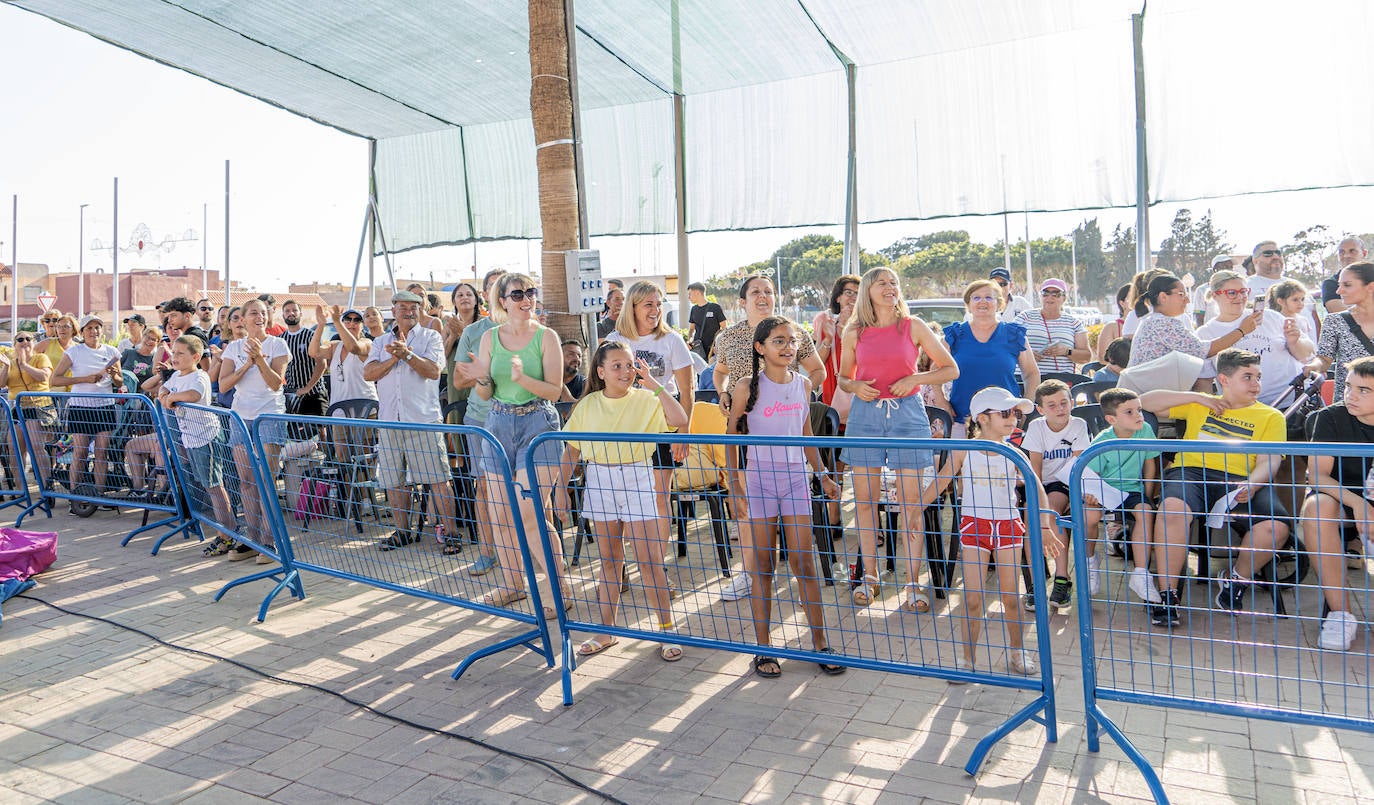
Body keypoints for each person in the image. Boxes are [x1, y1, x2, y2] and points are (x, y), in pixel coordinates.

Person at [724, 317, 844, 677]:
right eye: (778, 341)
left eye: (791, 341)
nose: (788, 347)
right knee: (763, 566)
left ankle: (820, 642)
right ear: (760, 348)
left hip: (795, 480)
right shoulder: (746, 386)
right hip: (760, 480)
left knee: (804, 562)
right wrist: (735, 484)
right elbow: (731, 436)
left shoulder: (803, 384)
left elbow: (806, 434)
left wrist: (823, 475)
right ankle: (763, 648)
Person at [555, 341, 689, 663]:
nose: (626, 371)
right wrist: (560, 490)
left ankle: (667, 629)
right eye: (617, 366)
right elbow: (571, 451)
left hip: (637, 478)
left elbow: (680, 418)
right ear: (601, 372)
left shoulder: (647, 399)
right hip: (600, 480)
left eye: (629, 365)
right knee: (609, 560)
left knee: (649, 561)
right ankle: (607, 630)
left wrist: (654, 383)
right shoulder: (588, 405)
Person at [1140, 349, 1290, 628]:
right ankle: (1167, 594)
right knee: (1171, 510)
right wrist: (1198, 397)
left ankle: (1236, 580)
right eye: (1247, 377)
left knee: (1276, 527)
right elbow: (1144, 401)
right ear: (1224, 379)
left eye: (1258, 376)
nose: (1256, 383)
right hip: (1190, 472)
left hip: (1241, 478)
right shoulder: (1200, 404)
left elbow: (1270, 461)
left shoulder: (1271, 416)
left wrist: (1254, 483)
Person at [921, 386, 1063, 679]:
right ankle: (967, 659)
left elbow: (1037, 488)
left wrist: (1045, 525)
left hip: (1008, 527)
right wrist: (915, 509)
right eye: (1006, 413)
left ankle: (1017, 651)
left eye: (1015, 414)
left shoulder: (1013, 452)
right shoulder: (964, 450)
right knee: (972, 599)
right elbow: (942, 479)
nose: (1014, 419)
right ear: (982, 418)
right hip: (975, 527)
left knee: (1011, 598)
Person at [837, 267, 957, 611]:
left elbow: (950, 368)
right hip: (865, 416)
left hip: (908, 415)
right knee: (864, 502)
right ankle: (870, 577)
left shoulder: (913, 325)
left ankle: (912, 582)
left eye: (894, 283)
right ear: (868, 291)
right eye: (882, 283)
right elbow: (843, 377)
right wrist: (854, 385)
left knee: (911, 504)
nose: (890, 287)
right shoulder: (854, 331)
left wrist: (914, 379)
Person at [452, 273, 570, 612]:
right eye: (517, 294)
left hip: (538, 424)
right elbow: (485, 393)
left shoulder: (546, 337)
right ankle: (512, 585)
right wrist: (482, 379)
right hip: (498, 423)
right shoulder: (490, 338)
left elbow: (553, 390)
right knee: (500, 512)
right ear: (502, 301)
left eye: (530, 292)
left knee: (530, 514)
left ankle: (560, 591)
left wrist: (522, 378)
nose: (526, 299)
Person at [711, 274, 826, 601]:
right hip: (744, 431)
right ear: (742, 301)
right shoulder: (728, 337)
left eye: (768, 291)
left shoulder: (794, 332)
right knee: (748, 506)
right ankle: (750, 574)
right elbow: (719, 372)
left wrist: (794, 396)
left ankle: (801, 578)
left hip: (783, 432)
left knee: (792, 514)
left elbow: (818, 370)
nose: (763, 297)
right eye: (755, 292)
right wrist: (722, 392)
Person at [362, 290, 460, 552]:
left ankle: (451, 534)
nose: (408, 311)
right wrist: (394, 358)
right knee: (394, 481)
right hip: (390, 422)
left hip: (422, 420)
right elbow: (368, 373)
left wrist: (406, 355)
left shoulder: (430, 337)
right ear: (393, 311)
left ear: (420, 310)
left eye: (413, 307)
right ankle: (402, 532)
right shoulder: (380, 341)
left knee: (438, 479)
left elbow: (434, 371)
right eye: (403, 307)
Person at [1301, 356, 1374, 650]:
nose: (1350, 395)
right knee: (1316, 508)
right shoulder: (1329, 417)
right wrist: (1358, 504)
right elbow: (1317, 476)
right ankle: (1340, 615)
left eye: (1363, 390)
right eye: (1348, 386)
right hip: (1340, 500)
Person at [218, 298, 291, 562]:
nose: (259, 316)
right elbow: (223, 385)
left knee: (266, 480)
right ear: (242, 319)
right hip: (241, 418)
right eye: (253, 313)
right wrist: (247, 364)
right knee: (247, 481)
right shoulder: (233, 348)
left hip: (269, 417)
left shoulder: (277, 345)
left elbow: (276, 383)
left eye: (262, 312)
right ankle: (253, 539)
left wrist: (259, 359)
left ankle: (271, 542)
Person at [450, 268, 508, 576]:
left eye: (506, 286)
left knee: (528, 487)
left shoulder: (530, 329)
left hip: (522, 418)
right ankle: (487, 552)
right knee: (484, 488)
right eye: (494, 287)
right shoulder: (473, 332)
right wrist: (485, 375)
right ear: (485, 295)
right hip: (481, 419)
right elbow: (459, 379)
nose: (501, 292)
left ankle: (537, 551)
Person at [157, 335, 237, 557]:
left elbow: (194, 395)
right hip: (190, 438)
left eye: (180, 353)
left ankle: (227, 534)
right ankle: (226, 531)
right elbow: (162, 389)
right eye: (173, 352)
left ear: (195, 357)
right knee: (207, 485)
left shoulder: (199, 376)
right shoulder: (176, 375)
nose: (174, 357)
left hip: (205, 438)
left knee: (215, 486)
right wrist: (166, 396)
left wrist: (172, 397)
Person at [1083, 388, 1159, 604]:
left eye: (1139, 410)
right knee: (1089, 516)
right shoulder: (1102, 441)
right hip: (1105, 489)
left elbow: (1150, 464)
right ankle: (1090, 561)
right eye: (1129, 412)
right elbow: (1092, 476)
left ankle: (1141, 574)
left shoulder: (1145, 430)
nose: (1138, 415)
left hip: (1132, 489)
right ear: (1111, 419)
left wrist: (1147, 496)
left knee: (1145, 512)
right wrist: (1091, 495)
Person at [1195, 270, 1315, 406]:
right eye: (1232, 293)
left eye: (1243, 291)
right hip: (1245, 409)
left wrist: (1294, 342)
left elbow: (1306, 355)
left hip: (1291, 401)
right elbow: (1204, 381)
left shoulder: (1271, 317)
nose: (1240, 297)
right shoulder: (1205, 333)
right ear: (1215, 295)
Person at [1021, 379, 1091, 611]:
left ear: (1072, 402)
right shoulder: (1037, 427)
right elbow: (1035, 468)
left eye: (1064, 403)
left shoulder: (1078, 424)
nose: (1060, 409)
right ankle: (1036, 584)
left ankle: (1062, 578)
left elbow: (1077, 466)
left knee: (1051, 512)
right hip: (1042, 482)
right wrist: (1035, 499)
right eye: (1052, 405)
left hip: (1067, 482)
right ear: (1041, 410)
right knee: (1031, 516)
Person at [943, 279, 1038, 434]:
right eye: (976, 297)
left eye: (988, 297)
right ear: (968, 305)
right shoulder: (955, 334)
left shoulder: (1014, 334)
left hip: (1006, 420)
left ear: (999, 304)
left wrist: (1024, 409)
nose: (982, 301)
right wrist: (942, 403)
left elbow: (1031, 373)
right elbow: (934, 371)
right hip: (961, 420)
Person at [48, 315, 126, 494]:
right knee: (80, 453)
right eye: (89, 328)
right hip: (80, 407)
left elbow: (120, 382)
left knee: (101, 453)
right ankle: (75, 496)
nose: (94, 331)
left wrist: (114, 375)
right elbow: (55, 379)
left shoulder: (112, 352)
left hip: (105, 407)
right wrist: (85, 379)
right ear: (82, 332)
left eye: (97, 327)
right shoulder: (74, 352)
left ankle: (99, 494)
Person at [1128, 274, 1259, 372]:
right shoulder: (1161, 323)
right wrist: (1241, 331)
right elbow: (1203, 351)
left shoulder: (1154, 320)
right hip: (1148, 394)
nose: (1187, 301)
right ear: (1163, 297)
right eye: (1181, 295)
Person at [0, 331, 56, 486]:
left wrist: (25, 365)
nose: (24, 341)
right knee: (15, 449)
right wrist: (6, 366)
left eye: (28, 339)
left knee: (37, 447)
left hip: (38, 408)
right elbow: (2, 384)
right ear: (15, 345)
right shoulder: (10, 362)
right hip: (17, 409)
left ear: (33, 342)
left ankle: (46, 487)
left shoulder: (40, 358)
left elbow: (44, 377)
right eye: (20, 339)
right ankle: (21, 490)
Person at [1315, 261, 1374, 402]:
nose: (1338, 291)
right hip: (1349, 403)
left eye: (1347, 285)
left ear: (1371, 287)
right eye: (1339, 285)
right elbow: (1324, 359)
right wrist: (1313, 366)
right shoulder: (1334, 320)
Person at [812, 274, 860, 422]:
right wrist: (828, 338)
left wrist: (848, 326)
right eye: (849, 292)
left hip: (860, 394)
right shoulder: (826, 324)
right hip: (831, 397)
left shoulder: (868, 327)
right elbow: (817, 364)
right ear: (838, 297)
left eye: (858, 294)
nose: (853, 297)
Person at [1018, 278, 1089, 375]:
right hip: (1026, 378)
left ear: (1064, 298)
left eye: (1056, 294)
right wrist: (1025, 354)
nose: (1050, 297)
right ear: (1040, 296)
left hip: (1060, 380)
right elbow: (1006, 344)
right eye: (1045, 293)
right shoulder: (1025, 317)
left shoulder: (1074, 323)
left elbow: (1086, 356)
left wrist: (1067, 351)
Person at [310, 305, 377, 404]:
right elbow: (314, 352)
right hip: (339, 407)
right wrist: (320, 325)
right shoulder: (334, 346)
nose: (352, 323)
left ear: (362, 326)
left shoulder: (367, 343)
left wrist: (337, 322)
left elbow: (354, 348)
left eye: (357, 320)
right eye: (348, 319)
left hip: (365, 406)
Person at [279, 300, 329, 419]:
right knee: (294, 429)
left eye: (294, 310)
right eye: (287, 311)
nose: (291, 313)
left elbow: (321, 364)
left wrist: (307, 388)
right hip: (291, 395)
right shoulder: (280, 340)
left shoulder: (311, 336)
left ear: (301, 314)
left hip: (314, 393)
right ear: (283, 315)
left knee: (319, 428)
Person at [443, 282, 483, 397]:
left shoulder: (484, 324)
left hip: (478, 381)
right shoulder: (449, 325)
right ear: (454, 302)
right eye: (460, 295)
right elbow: (442, 356)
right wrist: (453, 336)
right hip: (455, 382)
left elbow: (483, 351)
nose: (465, 297)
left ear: (476, 301)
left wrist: (463, 332)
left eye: (469, 294)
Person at [1322, 237, 1367, 315]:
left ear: (1364, 254)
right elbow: (1344, 315)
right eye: (1341, 252)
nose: (1346, 255)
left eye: (1352, 251)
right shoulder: (1331, 284)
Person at [120, 326, 167, 393]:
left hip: (144, 396)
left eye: (153, 339)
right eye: (148, 337)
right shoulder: (128, 353)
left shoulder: (156, 359)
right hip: (124, 394)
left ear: (157, 343)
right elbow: (116, 368)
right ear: (142, 337)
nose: (150, 341)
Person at [686, 281, 726, 360]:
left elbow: (724, 328)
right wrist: (689, 341)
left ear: (697, 293)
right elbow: (691, 329)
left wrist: (719, 345)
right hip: (698, 349)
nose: (688, 297)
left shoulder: (715, 307)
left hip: (713, 350)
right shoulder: (694, 309)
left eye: (690, 294)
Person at [1095, 285, 1132, 364]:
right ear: (1122, 303)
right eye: (1133, 297)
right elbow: (1103, 358)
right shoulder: (1111, 327)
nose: (1137, 301)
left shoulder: (1147, 325)